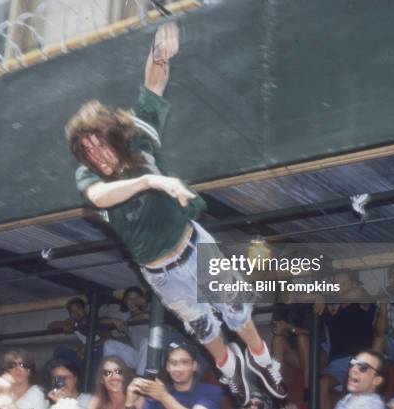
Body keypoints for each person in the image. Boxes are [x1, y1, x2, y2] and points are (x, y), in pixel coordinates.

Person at [65, 22, 286, 406]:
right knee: (202, 326)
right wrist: (153, 183)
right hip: (158, 270)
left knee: (235, 310)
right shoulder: (90, 178)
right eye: (87, 151)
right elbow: (100, 197)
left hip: (193, 246)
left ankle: (263, 361)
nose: (96, 155)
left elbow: (152, 86)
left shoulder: (139, 138)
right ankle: (231, 369)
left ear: (112, 136)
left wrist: (159, 54)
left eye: (98, 144)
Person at [126, 340, 223, 409]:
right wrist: (130, 403)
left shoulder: (210, 392)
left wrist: (163, 396)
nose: (178, 368)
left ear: (195, 366)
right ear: (168, 367)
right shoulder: (158, 392)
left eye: (184, 362)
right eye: (173, 363)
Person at [319, 302, 376, 409]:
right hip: (337, 363)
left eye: (342, 283)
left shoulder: (360, 302)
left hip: (360, 359)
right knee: (322, 383)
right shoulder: (330, 304)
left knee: (355, 385)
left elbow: (359, 294)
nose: (337, 284)